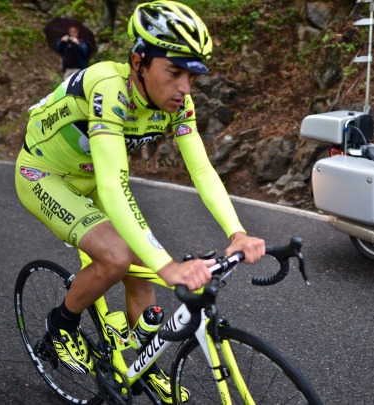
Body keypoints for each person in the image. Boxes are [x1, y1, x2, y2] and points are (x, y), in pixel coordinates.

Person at [15, 0, 266, 400]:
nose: (184, 88)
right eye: (174, 72)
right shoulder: (107, 86)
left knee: (138, 265)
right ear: (139, 61)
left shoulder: (179, 103)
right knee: (117, 256)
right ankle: (61, 323)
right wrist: (167, 267)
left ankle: (141, 366)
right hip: (45, 175)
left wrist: (237, 232)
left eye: (191, 76)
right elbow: (115, 185)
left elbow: (201, 170)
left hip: (93, 174)